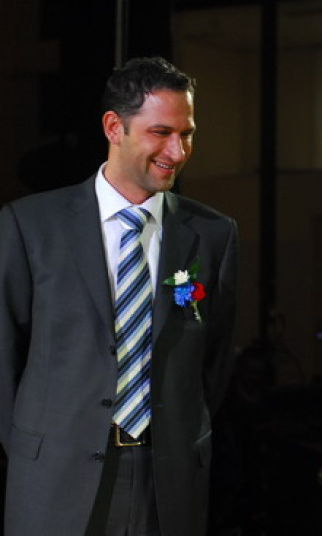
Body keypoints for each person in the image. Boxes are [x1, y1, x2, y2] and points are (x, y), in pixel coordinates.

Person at [0, 57, 238, 535]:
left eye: (187, 134)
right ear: (114, 127)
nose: (178, 151)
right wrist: (36, 449)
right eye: (161, 133)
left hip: (166, 482)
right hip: (53, 479)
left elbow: (213, 362)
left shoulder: (214, 234)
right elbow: (5, 355)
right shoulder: (31, 225)